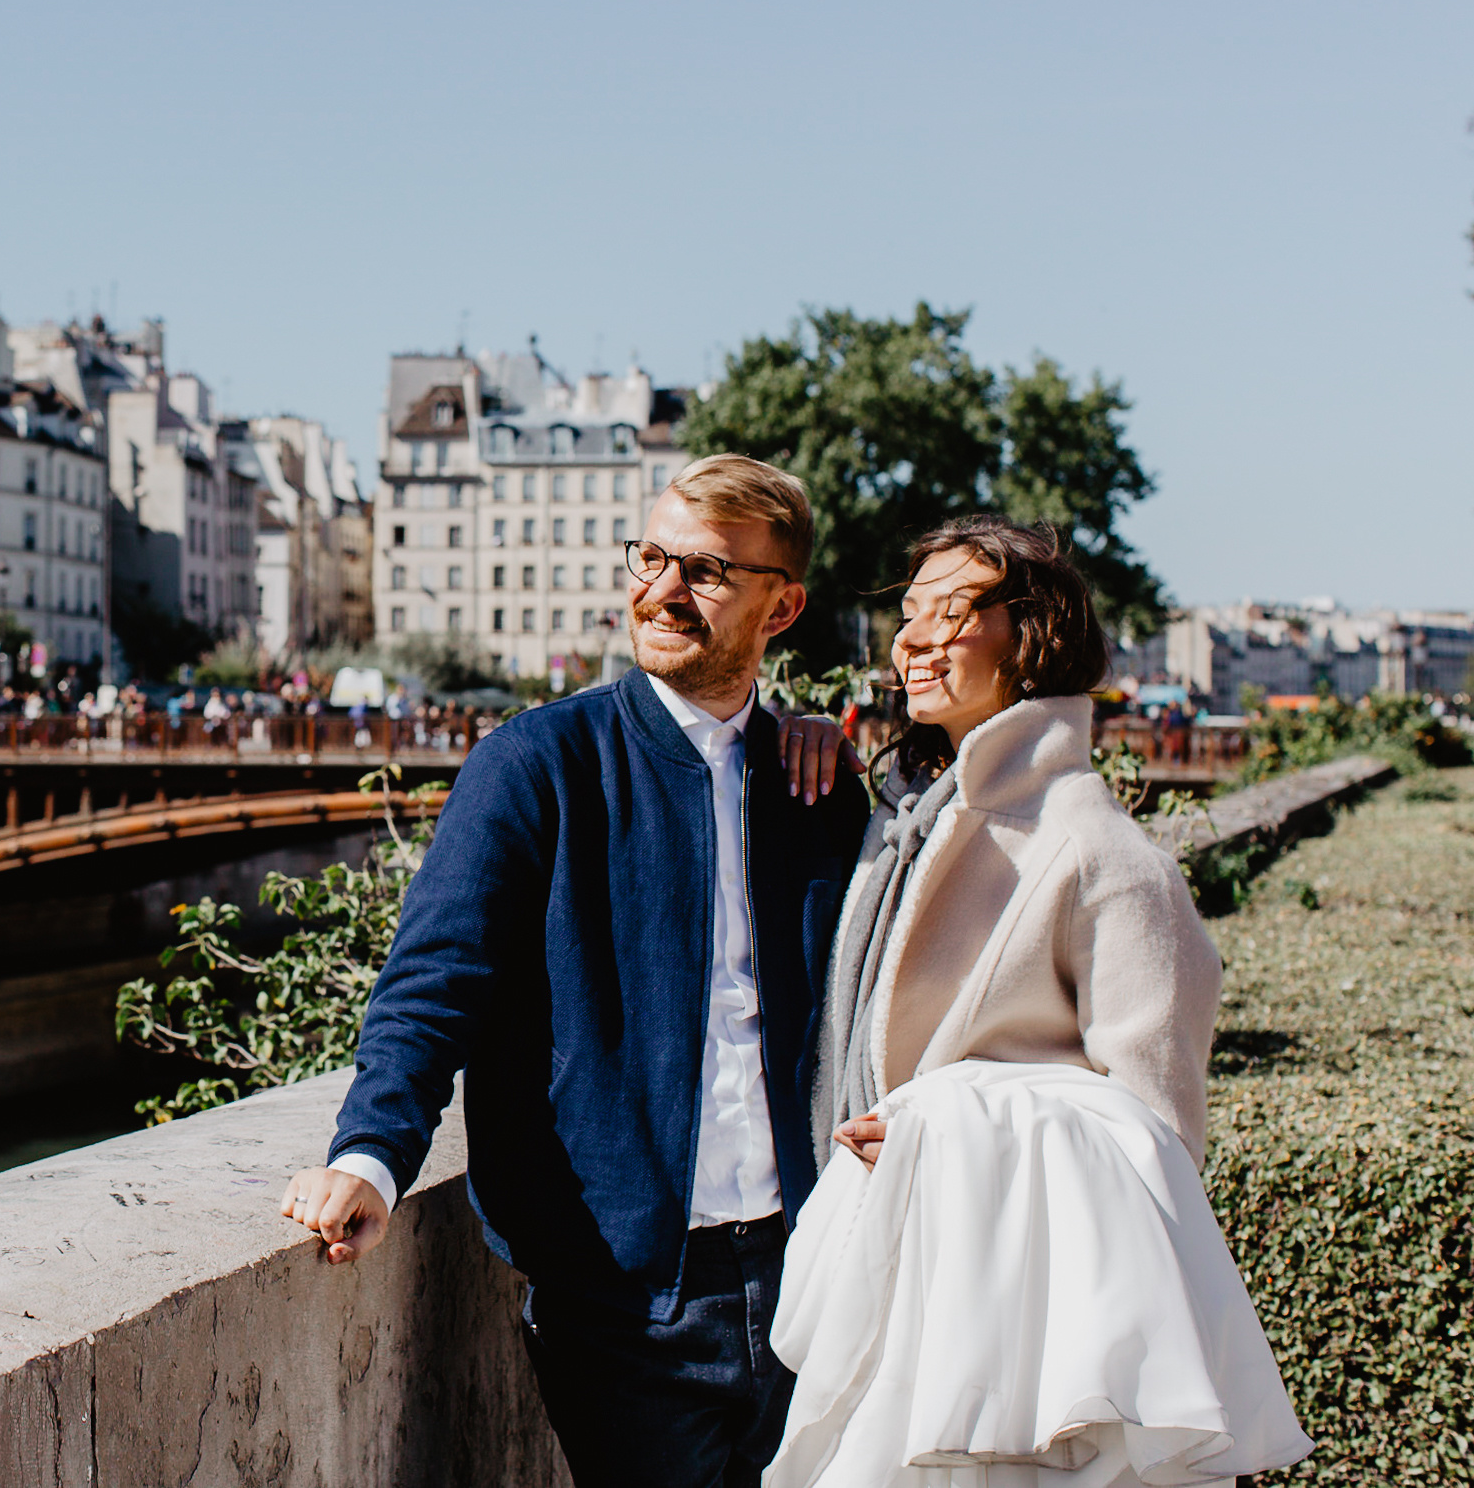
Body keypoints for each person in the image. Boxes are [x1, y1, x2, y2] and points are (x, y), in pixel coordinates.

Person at [279, 455, 869, 1488]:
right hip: (626, 1296)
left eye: (706, 571)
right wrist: (370, 1150)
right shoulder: (536, 761)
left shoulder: (812, 782)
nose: (660, 590)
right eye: (649, 557)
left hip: (809, 1270)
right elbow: (434, 978)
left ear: (782, 607)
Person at [774, 516, 1305, 1485]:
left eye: (951, 607)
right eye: (906, 610)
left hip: (1004, 1336)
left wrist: (944, 1127)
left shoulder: (1099, 852)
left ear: (1030, 636)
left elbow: (1155, 1152)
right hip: (872, 1280)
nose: (914, 634)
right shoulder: (899, 816)